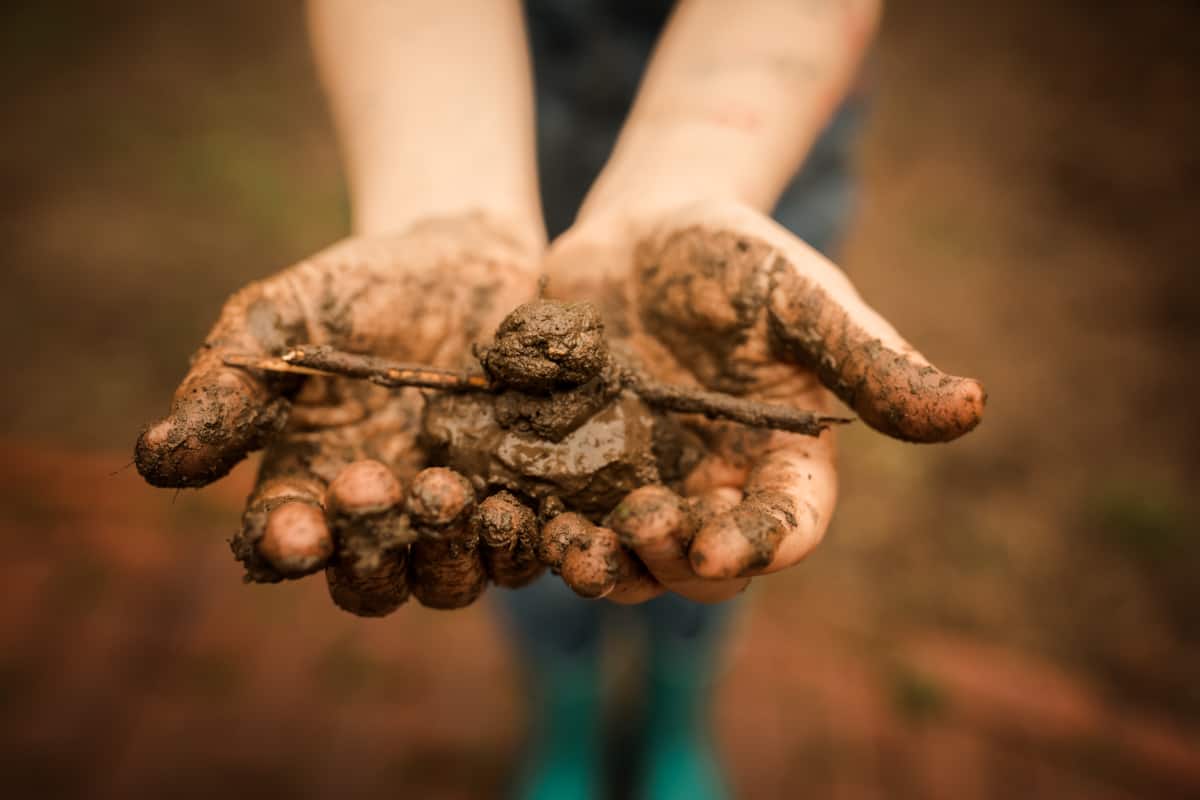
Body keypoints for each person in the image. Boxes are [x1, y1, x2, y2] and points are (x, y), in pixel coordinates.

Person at [134, 2, 983, 798]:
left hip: (766, 116)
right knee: (512, 530)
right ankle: (562, 709)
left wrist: (695, 173)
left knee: (708, 520)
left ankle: (676, 707)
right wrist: (438, 206)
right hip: (497, 87)